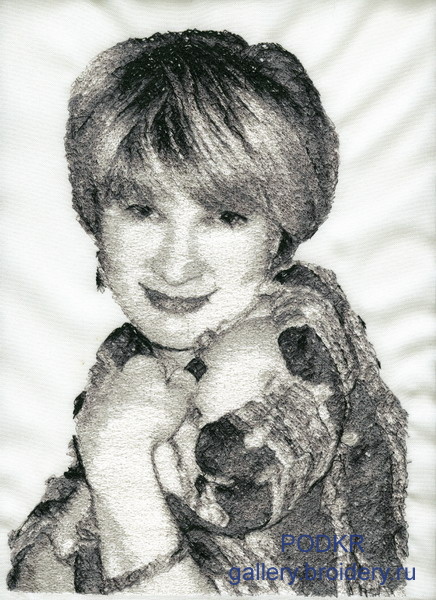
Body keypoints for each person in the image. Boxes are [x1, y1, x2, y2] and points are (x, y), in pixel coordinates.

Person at [7, 29, 407, 595]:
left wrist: (119, 465)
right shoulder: (132, 355)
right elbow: (32, 574)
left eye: (226, 218)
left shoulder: (273, 358)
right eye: (142, 210)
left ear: (280, 231)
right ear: (96, 218)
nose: (176, 266)